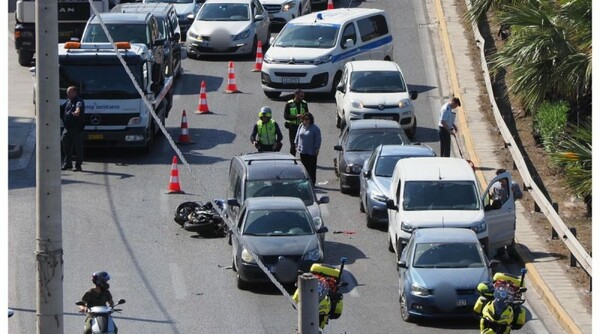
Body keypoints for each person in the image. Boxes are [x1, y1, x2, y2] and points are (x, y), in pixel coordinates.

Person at [61, 86, 86, 171]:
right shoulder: (68, 101)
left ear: (75, 93)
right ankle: (68, 164)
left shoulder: (79, 101)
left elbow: (78, 107)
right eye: (67, 92)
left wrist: (77, 111)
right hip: (67, 128)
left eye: (70, 92)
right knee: (65, 145)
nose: (67, 94)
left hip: (75, 129)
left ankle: (78, 165)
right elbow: (61, 108)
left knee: (77, 147)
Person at [294, 113, 321, 186]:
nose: (305, 121)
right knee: (304, 168)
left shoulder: (315, 128)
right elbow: (297, 136)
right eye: (304, 119)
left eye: (307, 119)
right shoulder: (301, 126)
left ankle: (312, 183)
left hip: (311, 152)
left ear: (310, 120)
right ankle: (305, 182)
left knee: (312, 168)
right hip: (303, 151)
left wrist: (317, 148)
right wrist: (296, 144)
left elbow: (318, 139)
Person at [283, 89, 309, 156]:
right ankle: (292, 159)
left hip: (302, 127)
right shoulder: (289, 103)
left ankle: (303, 159)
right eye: (300, 96)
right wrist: (295, 116)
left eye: (303, 96)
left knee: (303, 144)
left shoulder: (304, 103)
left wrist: (303, 117)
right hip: (292, 126)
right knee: (293, 144)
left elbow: (307, 115)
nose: (302, 97)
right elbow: (286, 116)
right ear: (296, 95)